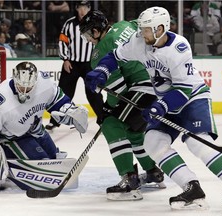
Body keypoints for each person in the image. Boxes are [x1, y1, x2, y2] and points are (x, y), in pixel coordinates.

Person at [84, 6, 222, 211]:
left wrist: (160, 106)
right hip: (165, 100)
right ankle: (191, 187)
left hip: (192, 98)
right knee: (153, 142)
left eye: (146, 29)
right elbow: (115, 56)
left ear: (160, 29)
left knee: (198, 143)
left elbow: (182, 90)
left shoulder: (179, 48)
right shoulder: (140, 41)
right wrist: (102, 69)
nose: (141, 32)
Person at [79, 10, 165, 201]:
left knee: (111, 124)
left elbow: (118, 90)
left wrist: (107, 111)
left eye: (87, 34)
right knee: (133, 132)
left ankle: (129, 181)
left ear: (95, 30)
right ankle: (152, 172)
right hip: (160, 82)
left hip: (143, 88)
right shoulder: (125, 25)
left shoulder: (100, 51)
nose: (88, 39)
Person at [0, 61, 88, 189]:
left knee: (54, 159)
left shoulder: (44, 83)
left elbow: (57, 101)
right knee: (42, 164)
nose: (25, 91)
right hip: (10, 138)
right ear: (15, 78)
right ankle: (0, 166)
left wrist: (71, 112)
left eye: (29, 87)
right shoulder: (0, 101)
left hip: (35, 130)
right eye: (21, 87)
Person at [45, 0, 104, 130]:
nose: (83, 10)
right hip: (71, 64)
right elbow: (62, 42)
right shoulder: (69, 24)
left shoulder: (95, 23)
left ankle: (103, 120)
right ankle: (54, 121)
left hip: (90, 64)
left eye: (86, 7)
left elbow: (101, 41)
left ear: (89, 8)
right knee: (63, 92)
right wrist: (65, 59)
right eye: (80, 7)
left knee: (93, 93)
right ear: (76, 8)